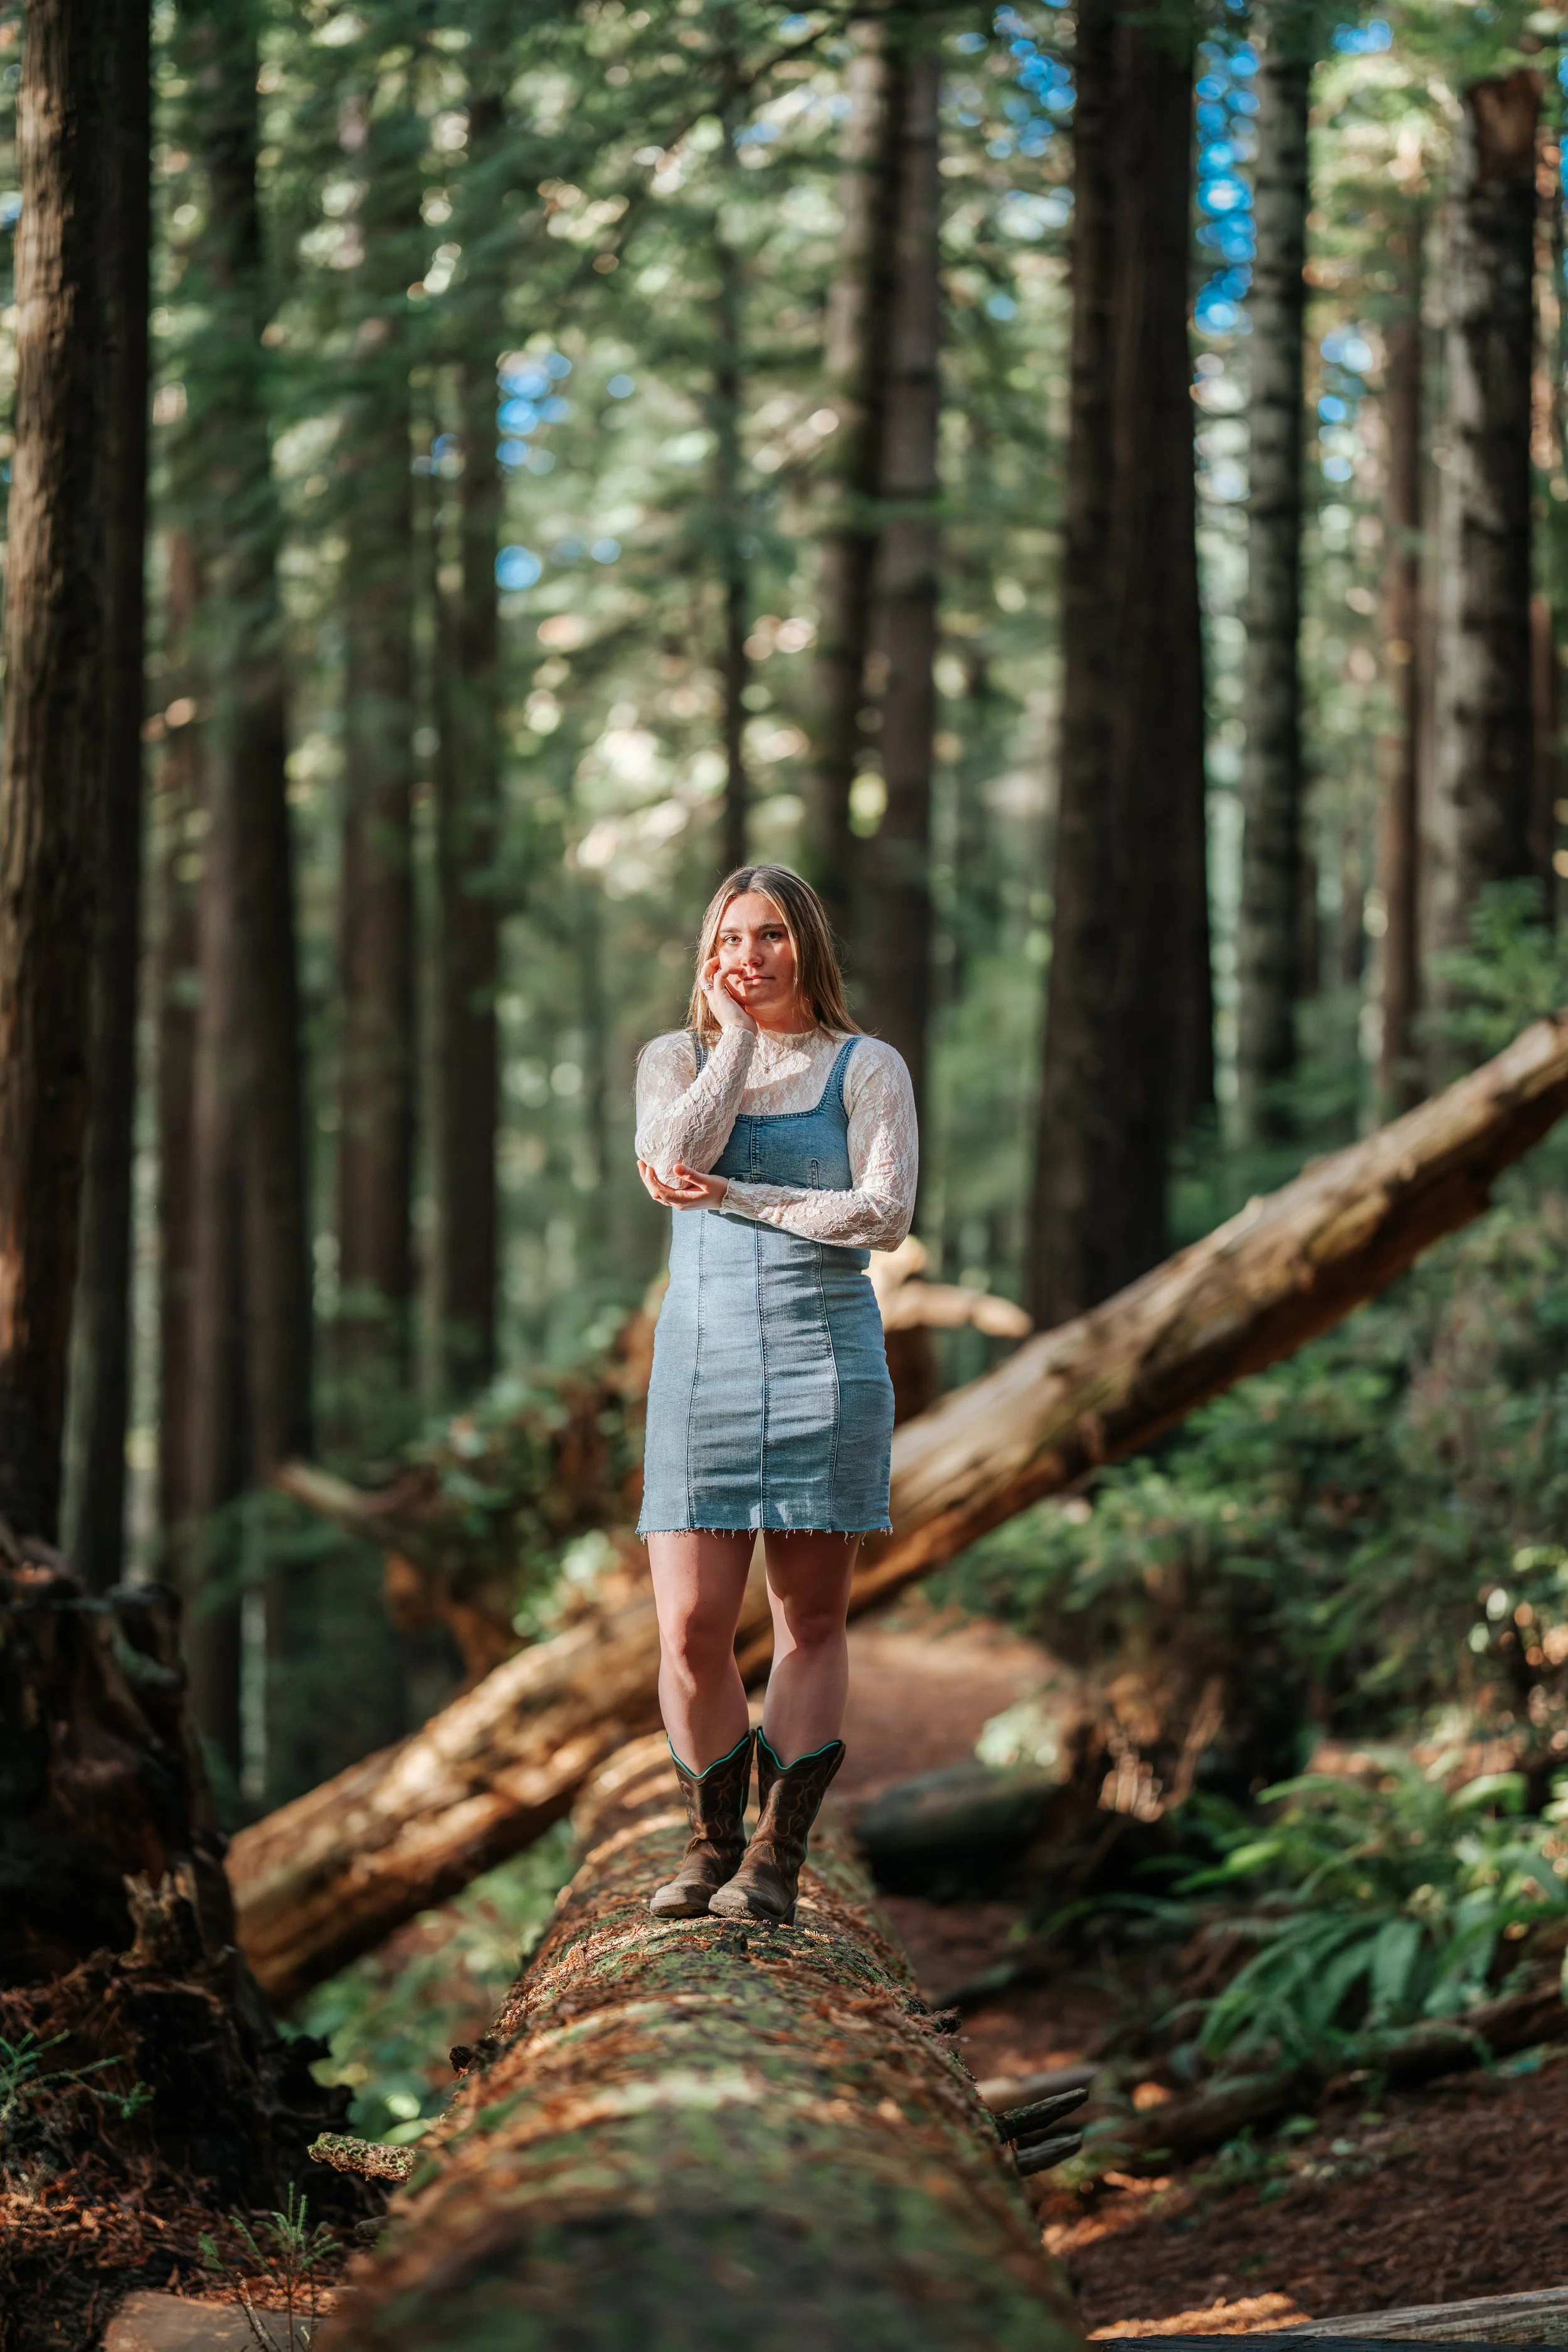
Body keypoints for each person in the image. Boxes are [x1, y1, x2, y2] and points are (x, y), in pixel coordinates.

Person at [633, 863, 917, 1924]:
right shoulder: (676, 1060)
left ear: (808, 948)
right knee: (694, 1629)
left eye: (770, 937)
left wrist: (747, 1197)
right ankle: (708, 1848)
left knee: (810, 1619)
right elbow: (671, 1158)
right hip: (701, 1371)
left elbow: (885, 1213)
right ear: (710, 955)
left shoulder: (866, 1066)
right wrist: (737, 1042)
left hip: (825, 1364)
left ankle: (772, 1864)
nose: (748, 957)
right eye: (731, 938)